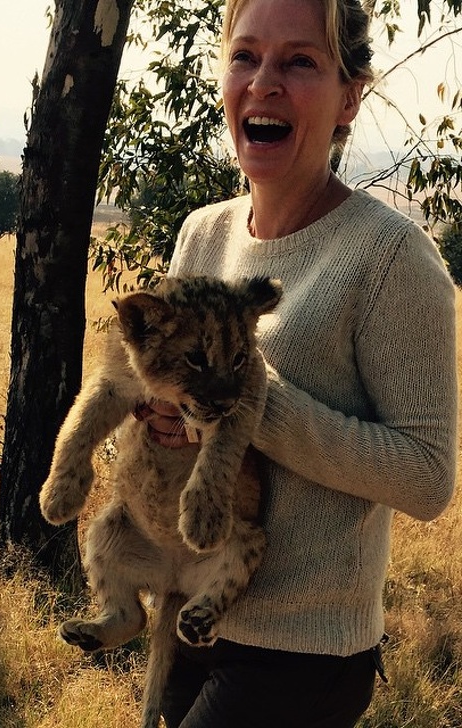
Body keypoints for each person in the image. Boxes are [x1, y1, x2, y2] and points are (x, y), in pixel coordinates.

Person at [136, 0, 459, 726]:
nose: (264, 82)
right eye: (245, 56)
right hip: (190, 612)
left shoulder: (391, 259)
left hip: (303, 657)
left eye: (300, 61)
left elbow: (428, 478)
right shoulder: (202, 235)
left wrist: (254, 403)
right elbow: (173, 414)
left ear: (351, 97)